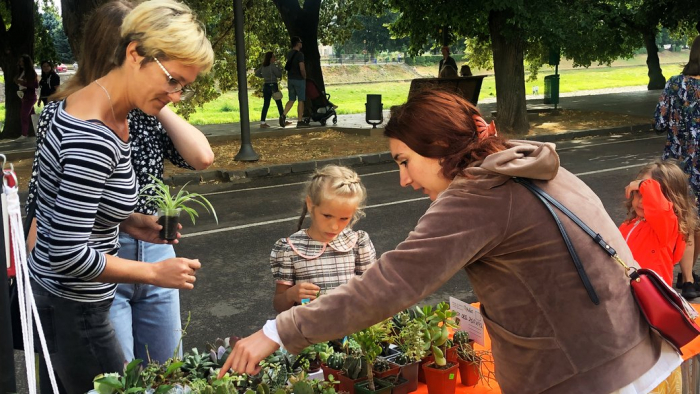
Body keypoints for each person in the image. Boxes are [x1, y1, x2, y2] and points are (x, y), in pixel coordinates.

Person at [220, 89, 682, 394]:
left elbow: (390, 284)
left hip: (593, 379)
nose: (402, 180)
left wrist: (277, 331)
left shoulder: (480, 195)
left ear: (440, 148)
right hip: (636, 356)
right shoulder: (527, 164)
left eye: (404, 161)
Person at [27, 1, 213, 392]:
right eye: (173, 80)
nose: (177, 95)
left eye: (185, 86)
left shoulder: (100, 108)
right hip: (75, 309)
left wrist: (130, 221)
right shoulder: (94, 136)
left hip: (70, 302)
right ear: (134, 54)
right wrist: (154, 273)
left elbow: (66, 199)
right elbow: (66, 252)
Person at [271, 165, 376, 312]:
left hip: (351, 331)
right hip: (309, 331)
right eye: (327, 216)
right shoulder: (290, 249)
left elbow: (371, 291)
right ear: (310, 204)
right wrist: (290, 295)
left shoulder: (358, 244)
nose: (334, 226)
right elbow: (279, 305)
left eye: (344, 218)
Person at [656, 35, 700, 299]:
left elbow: (659, 122)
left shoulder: (675, 84)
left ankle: (686, 279)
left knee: (684, 218)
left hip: (679, 162)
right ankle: (692, 276)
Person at [619, 160, 696, 286]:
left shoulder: (666, 224)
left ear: (672, 199)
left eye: (649, 194)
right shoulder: (630, 224)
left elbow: (660, 209)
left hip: (650, 294)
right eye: (639, 192)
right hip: (629, 290)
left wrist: (643, 184)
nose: (642, 201)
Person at [255, 51, 291, 128]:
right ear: (270, 58)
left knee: (266, 104)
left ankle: (262, 122)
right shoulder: (273, 66)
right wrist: (279, 68)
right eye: (274, 57)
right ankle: (283, 120)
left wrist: (263, 77)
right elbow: (278, 75)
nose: (275, 58)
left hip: (266, 85)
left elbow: (256, 73)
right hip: (273, 85)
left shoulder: (263, 66)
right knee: (279, 103)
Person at [280, 36, 309, 129]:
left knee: (291, 99)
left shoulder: (289, 54)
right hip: (299, 79)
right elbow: (302, 68)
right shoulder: (300, 55)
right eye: (300, 42)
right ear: (297, 43)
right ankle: (300, 121)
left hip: (290, 79)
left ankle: (283, 115)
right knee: (301, 100)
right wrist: (304, 76)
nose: (301, 43)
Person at [14, 54, 38, 140]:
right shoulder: (22, 71)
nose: (20, 63)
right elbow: (17, 80)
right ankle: (37, 131)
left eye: (21, 61)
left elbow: (34, 85)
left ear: (26, 62)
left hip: (29, 97)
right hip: (23, 96)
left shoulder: (31, 72)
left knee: (24, 115)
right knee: (32, 115)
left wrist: (23, 82)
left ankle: (24, 134)